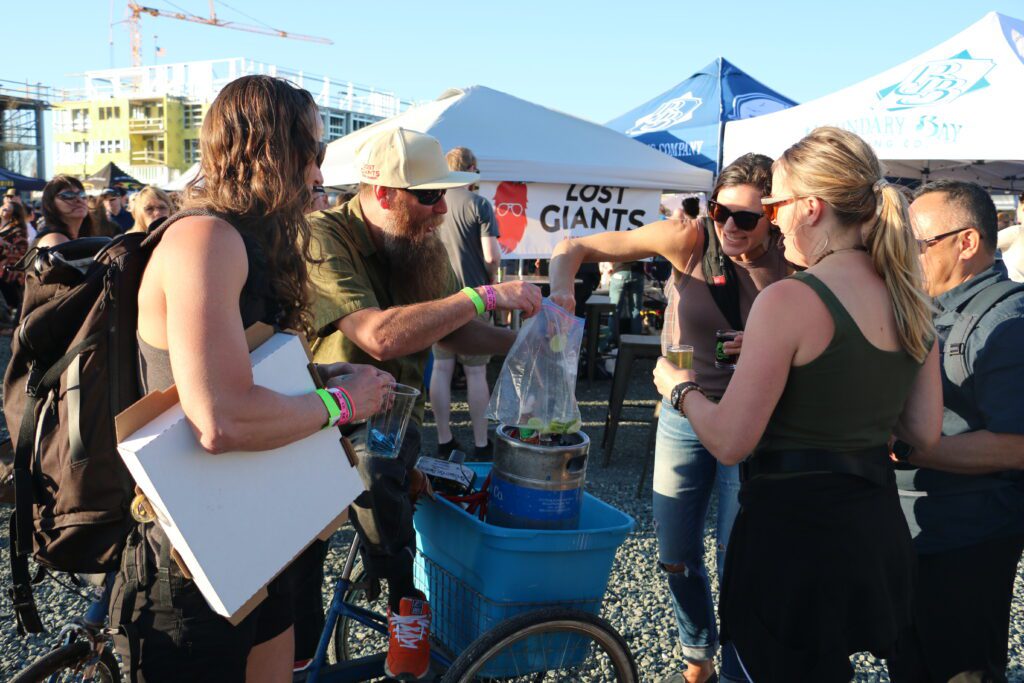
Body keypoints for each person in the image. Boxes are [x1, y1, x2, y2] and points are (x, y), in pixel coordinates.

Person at [110, 74, 392, 683]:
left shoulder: (243, 240)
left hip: (256, 537)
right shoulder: (205, 239)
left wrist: (316, 376)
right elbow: (220, 419)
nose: (319, 174)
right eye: (312, 154)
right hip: (195, 559)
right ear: (271, 152)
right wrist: (341, 400)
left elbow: (235, 369)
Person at [652, 126, 942, 682]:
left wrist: (679, 389)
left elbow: (730, 442)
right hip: (872, 529)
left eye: (777, 204)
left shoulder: (789, 298)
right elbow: (923, 435)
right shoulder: (909, 296)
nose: (773, 218)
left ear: (811, 208)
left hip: (793, 541)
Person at [306, 127, 542, 680]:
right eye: (431, 196)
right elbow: (379, 337)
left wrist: (529, 347)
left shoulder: (420, 241)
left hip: (394, 412)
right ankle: (401, 600)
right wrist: (480, 295)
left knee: (432, 473)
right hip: (324, 418)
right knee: (373, 466)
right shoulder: (323, 237)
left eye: (446, 195)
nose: (442, 209)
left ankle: (406, 605)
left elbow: (455, 335)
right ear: (383, 193)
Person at [550, 153, 788, 683]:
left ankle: (738, 666)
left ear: (774, 215)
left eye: (746, 218)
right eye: (720, 211)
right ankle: (698, 649)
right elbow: (574, 245)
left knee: (736, 561)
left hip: (751, 418)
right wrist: (563, 288)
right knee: (675, 555)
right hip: (682, 410)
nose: (730, 226)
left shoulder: (793, 257)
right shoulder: (691, 239)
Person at [887, 180, 1024, 683]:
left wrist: (912, 448)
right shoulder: (927, 305)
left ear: (966, 243)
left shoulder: (1008, 321)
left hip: (968, 539)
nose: (905, 257)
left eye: (918, 246)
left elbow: (1019, 445)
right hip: (914, 532)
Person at [429, 146, 502, 460]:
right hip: (475, 298)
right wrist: (493, 278)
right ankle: (482, 443)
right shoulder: (480, 205)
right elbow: (491, 257)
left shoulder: (434, 206)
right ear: (471, 169)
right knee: (476, 374)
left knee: (442, 369)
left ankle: (444, 439)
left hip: (439, 300)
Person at [36, 175, 100, 247]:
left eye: (82, 194)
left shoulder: (83, 236)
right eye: (68, 195)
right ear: (50, 204)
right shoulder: (55, 239)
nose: (79, 199)